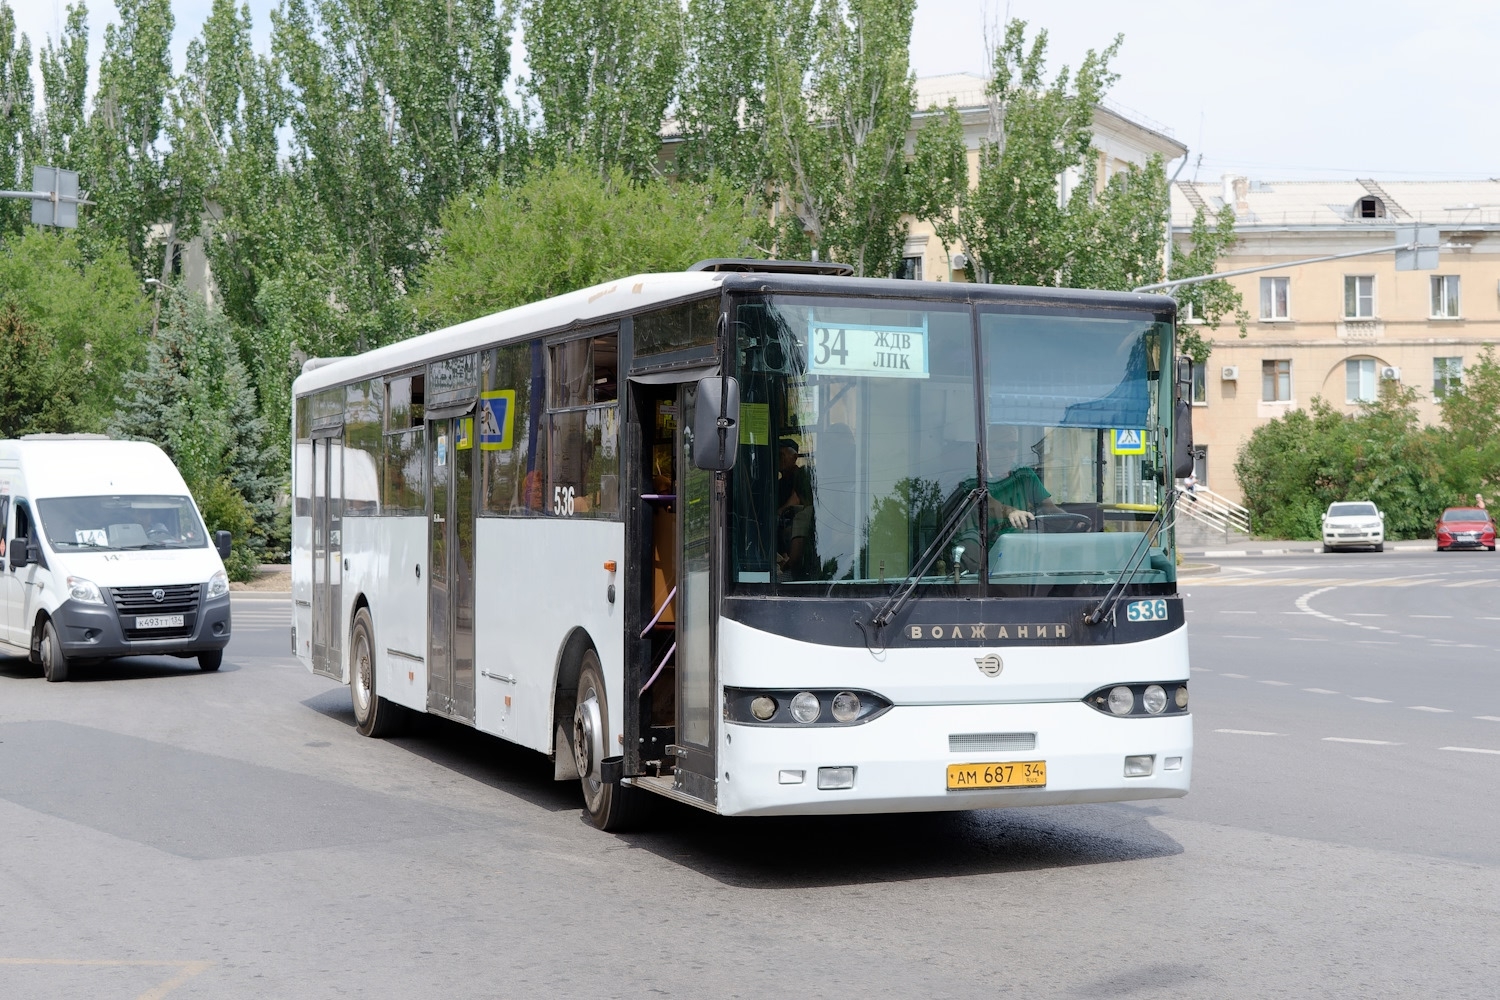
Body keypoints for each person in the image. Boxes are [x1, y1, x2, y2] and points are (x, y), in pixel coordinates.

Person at [776, 438, 815, 578]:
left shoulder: (801, 478)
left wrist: (779, 513)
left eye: (782, 455)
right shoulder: (778, 483)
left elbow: (796, 500)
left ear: (794, 457)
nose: (779, 459)